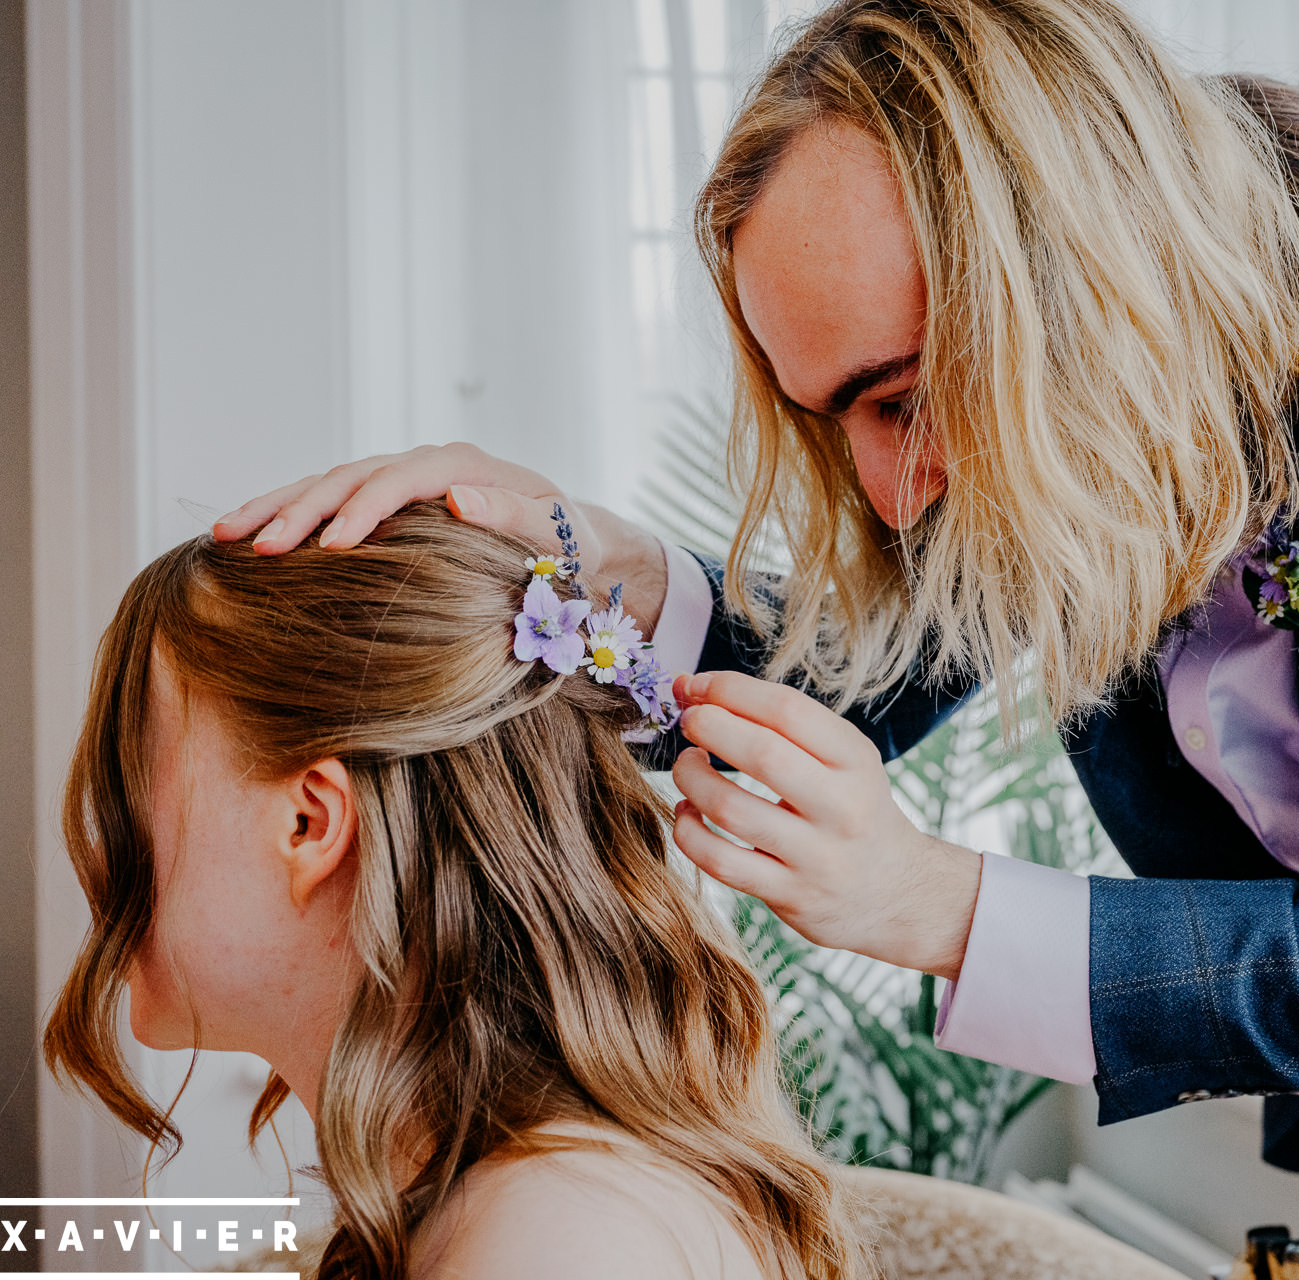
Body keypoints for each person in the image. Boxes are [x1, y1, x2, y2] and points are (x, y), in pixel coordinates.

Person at [214, 1, 1299, 1277]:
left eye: (902, 397)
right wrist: (588, 580)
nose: (892, 491)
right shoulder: (1065, 369)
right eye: (838, 423)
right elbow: (868, 671)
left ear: (1076, 268)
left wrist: (925, 907)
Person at [42, 504, 872, 1280]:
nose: (87, 837)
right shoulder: (506, 1202)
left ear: (310, 825)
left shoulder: (557, 1244)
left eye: (123, 776)